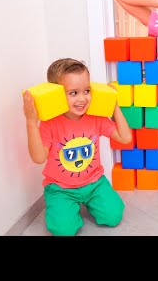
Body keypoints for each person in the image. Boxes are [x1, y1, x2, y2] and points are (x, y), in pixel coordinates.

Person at [22, 58, 132, 236]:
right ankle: (68, 209)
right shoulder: (50, 123)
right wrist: (31, 122)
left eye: (86, 91)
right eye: (73, 93)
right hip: (61, 189)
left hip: (94, 183)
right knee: (63, 230)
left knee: (113, 216)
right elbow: (39, 157)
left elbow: (125, 138)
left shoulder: (95, 117)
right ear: (57, 94)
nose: (82, 98)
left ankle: (88, 203)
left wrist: (114, 105)